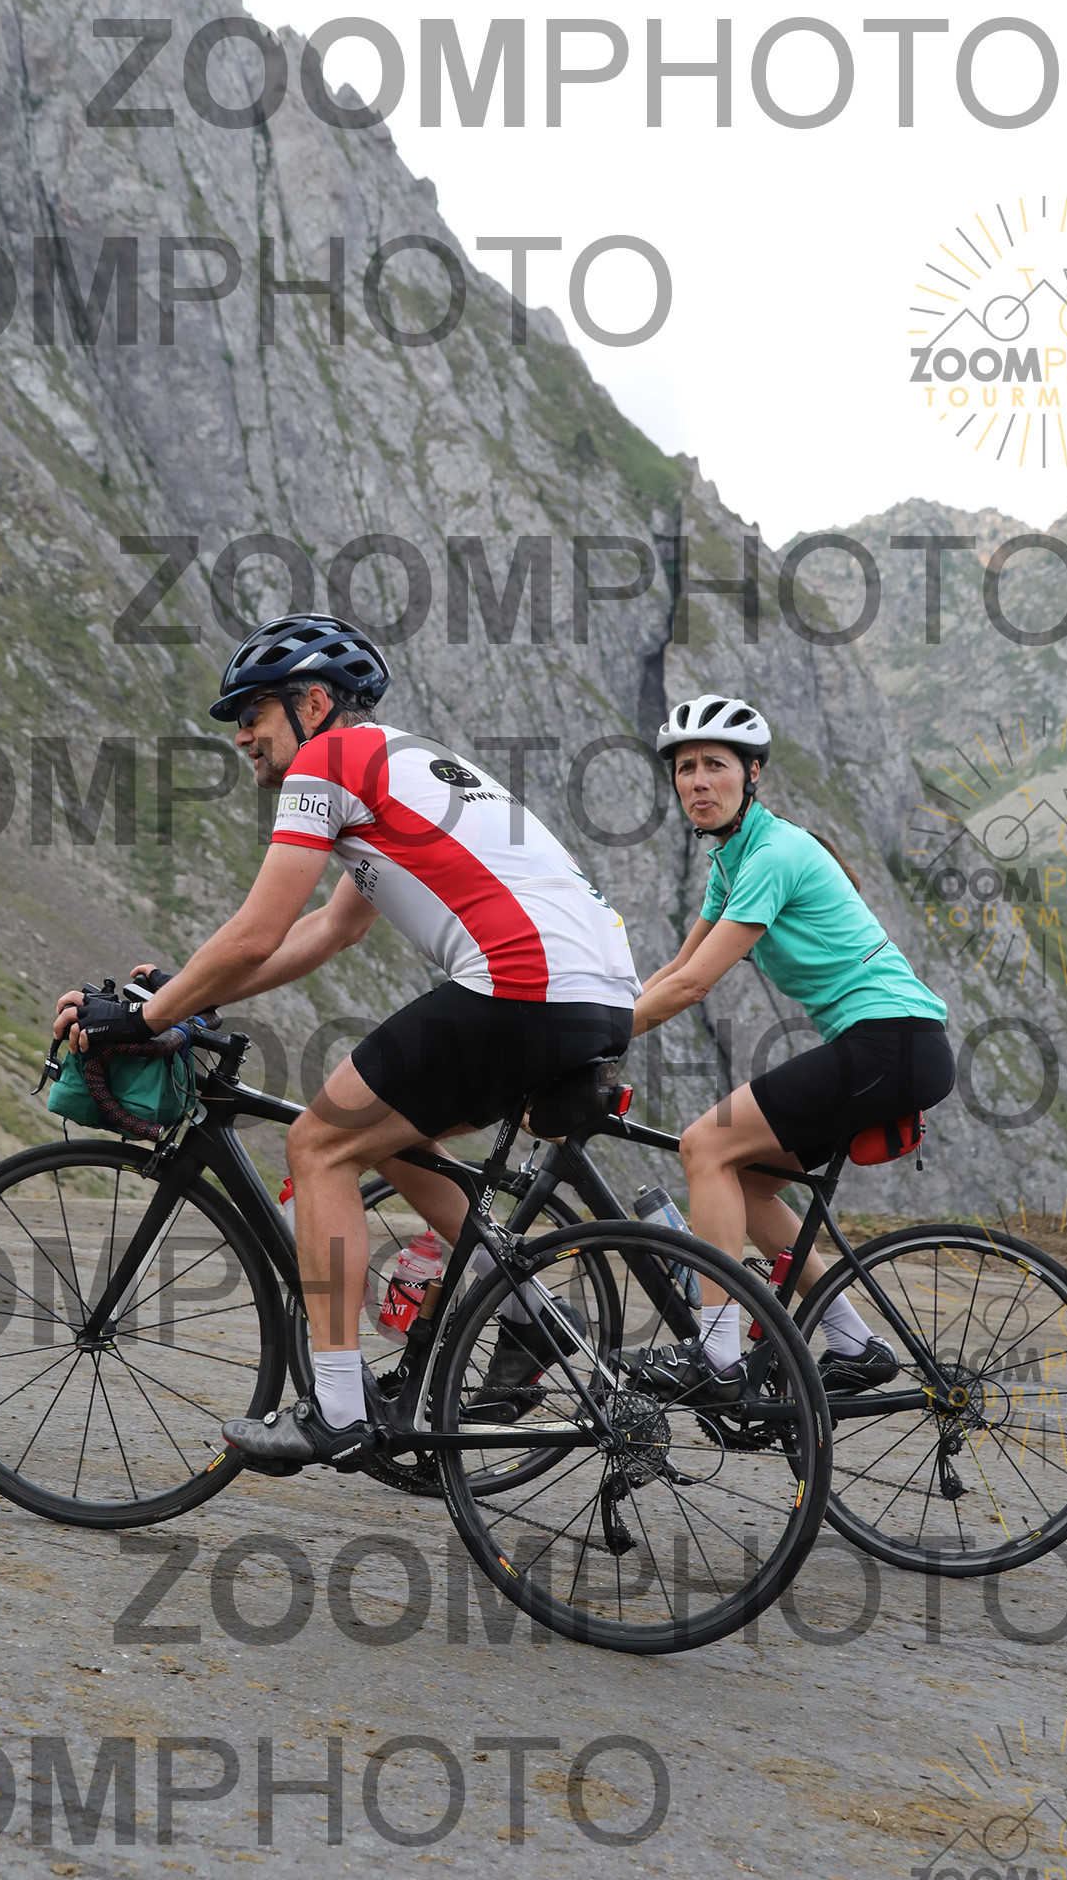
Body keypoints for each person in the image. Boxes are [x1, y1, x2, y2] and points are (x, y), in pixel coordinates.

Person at [54, 613, 640, 1473]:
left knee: (319, 1144)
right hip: (600, 996)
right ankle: (532, 1317)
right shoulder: (403, 763)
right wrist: (195, 998)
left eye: (252, 712)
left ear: (314, 703)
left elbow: (257, 931)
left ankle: (335, 1411)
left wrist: (145, 1020)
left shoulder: (327, 762)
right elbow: (330, 930)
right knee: (386, 1136)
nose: (242, 735)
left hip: (521, 982)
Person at [625, 694, 954, 1413]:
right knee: (745, 1181)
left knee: (706, 1145)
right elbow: (674, 970)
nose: (698, 781)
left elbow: (693, 987)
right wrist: (594, 1019)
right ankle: (854, 1344)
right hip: (886, 1044)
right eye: (685, 768)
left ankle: (716, 1354)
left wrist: (602, 1036)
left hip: (892, 1041)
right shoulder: (732, 861)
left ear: (753, 775)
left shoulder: (773, 855)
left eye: (715, 765)